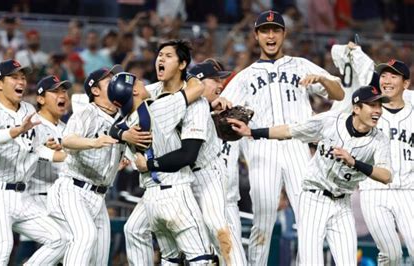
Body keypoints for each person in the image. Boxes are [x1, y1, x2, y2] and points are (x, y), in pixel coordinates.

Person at [220, 10, 344, 265]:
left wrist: (322, 78)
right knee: (263, 222)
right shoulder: (245, 76)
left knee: (309, 218)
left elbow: (339, 94)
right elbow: (223, 112)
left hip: (297, 146)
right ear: (256, 35)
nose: (270, 35)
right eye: (265, 31)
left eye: (275, 30)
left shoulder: (300, 64)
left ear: (284, 34)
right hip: (261, 150)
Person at [230, 85, 392, 265]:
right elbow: (290, 130)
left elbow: (386, 176)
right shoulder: (331, 121)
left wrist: (354, 162)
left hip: (342, 204)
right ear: (356, 108)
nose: (378, 110)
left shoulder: (379, 140)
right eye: (372, 105)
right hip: (314, 198)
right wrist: (252, 132)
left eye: (380, 106)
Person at [132, 60, 247, 265]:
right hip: (176, 177)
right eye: (215, 80)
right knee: (135, 228)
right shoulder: (173, 98)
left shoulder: (205, 106)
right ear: (199, 81)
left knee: (215, 225)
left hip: (206, 174)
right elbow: (142, 95)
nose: (221, 84)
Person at [108, 70, 214, 264]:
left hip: (152, 200)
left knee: (170, 260)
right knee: (203, 260)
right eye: (138, 82)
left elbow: (112, 129)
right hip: (176, 193)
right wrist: (183, 71)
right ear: (134, 92)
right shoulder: (160, 108)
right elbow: (197, 88)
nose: (143, 83)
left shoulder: (124, 125)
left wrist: (122, 135)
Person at [0, 59, 67, 265]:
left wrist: (66, 154)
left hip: (22, 195)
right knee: (1, 249)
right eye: (14, 77)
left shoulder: (28, 110)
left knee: (59, 239)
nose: (21, 81)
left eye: (23, 77)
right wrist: (17, 131)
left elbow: (39, 149)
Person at [46, 65, 124, 265]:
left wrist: (116, 164)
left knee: (99, 258)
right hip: (74, 189)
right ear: (95, 90)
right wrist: (94, 142)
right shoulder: (87, 112)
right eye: (109, 80)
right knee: (84, 237)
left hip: (99, 196)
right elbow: (68, 140)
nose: (116, 82)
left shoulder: (121, 118)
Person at [359, 60, 414, 265]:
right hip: (374, 192)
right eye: (383, 75)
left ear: (405, 84)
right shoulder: (366, 110)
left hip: (409, 191)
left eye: (393, 76)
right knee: (392, 255)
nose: (387, 80)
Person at [15, 75, 71, 263]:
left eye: (64, 91)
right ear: (40, 99)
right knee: (33, 252)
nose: (62, 95)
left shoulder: (69, 129)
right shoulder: (32, 124)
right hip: (35, 197)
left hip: (62, 200)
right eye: (55, 91)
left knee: (67, 252)